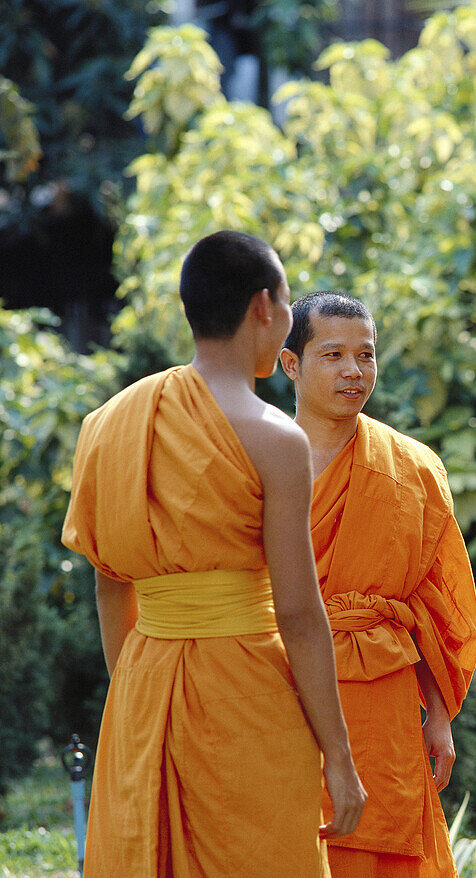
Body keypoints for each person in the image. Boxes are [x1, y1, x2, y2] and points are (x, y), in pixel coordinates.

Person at [62, 231, 366, 877]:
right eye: (286, 304)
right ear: (264, 307)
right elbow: (300, 614)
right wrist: (339, 758)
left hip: (143, 684)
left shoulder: (108, 423)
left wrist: (138, 691)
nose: (286, 320)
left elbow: (110, 583)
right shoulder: (276, 438)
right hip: (247, 692)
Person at [279, 291, 476, 878]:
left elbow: (439, 602)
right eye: (333, 354)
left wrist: (439, 715)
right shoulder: (257, 458)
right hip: (279, 678)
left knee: (381, 844)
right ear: (291, 363)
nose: (353, 371)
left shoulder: (411, 466)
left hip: (380, 694)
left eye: (365, 355)